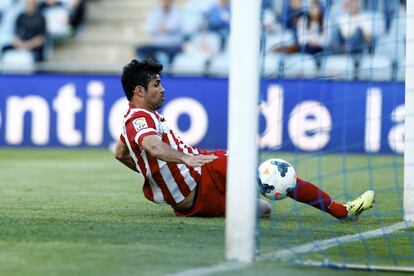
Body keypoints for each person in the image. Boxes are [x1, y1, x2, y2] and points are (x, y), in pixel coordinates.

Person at [115, 59, 375, 219]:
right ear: (139, 91)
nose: (163, 89)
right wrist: (186, 158)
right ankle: (342, 211)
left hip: (191, 204)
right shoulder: (140, 118)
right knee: (273, 172)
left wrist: (157, 174)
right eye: (157, 84)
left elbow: (121, 154)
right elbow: (153, 146)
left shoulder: (135, 119)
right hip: (201, 178)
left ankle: (339, 209)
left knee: (263, 210)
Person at [136, 0, 183, 66]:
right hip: (156, 44)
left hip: (172, 45)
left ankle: (165, 71)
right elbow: (148, 27)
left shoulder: (177, 12)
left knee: (170, 54)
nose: (165, 2)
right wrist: (162, 28)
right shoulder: (155, 12)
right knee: (141, 51)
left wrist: (162, 28)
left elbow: (174, 26)